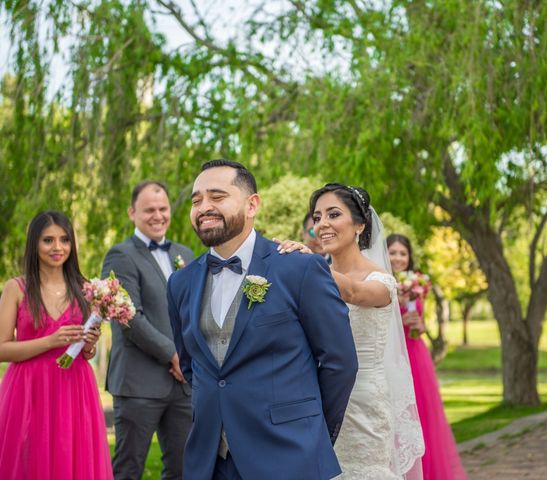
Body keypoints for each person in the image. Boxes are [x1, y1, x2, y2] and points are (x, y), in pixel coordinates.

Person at [167, 159, 358, 480]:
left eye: (217, 197)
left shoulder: (299, 269)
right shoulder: (180, 283)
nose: (204, 207)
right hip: (210, 462)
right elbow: (192, 367)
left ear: (252, 204)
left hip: (288, 456)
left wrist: (309, 432)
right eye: (196, 200)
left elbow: (340, 362)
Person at [310, 183, 424, 479]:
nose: (322, 224)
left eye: (333, 215)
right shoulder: (312, 274)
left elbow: (354, 292)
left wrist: (308, 264)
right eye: (317, 217)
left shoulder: (382, 281)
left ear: (360, 224)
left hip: (363, 402)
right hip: (318, 398)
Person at [0, 211, 112, 479]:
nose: (57, 247)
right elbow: (2, 348)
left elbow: (86, 353)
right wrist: (49, 341)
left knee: (71, 460)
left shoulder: (86, 289)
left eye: (64, 240)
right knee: (28, 462)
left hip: (74, 388)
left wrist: (90, 345)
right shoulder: (16, 288)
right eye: (48, 240)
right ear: (34, 244)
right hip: (28, 389)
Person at [102, 181, 194, 480]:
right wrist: (173, 355)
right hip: (138, 384)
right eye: (149, 210)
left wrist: (190, 358)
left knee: (184, 469)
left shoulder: (185, 254)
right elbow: (129, 318)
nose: (158, 215)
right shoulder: (120, 255)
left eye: (163, 208)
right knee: (129, 470)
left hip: (183, 387)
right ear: (132, 213)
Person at [387, 234, 468, 480]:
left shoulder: (417, 284)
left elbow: (420, 322)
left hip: (417, 355)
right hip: (393, 355)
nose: (398, 258)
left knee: (423, 416)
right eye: (393, 252)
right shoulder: (379, 283)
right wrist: (400, 321)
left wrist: (419, 326)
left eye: (403, 253)